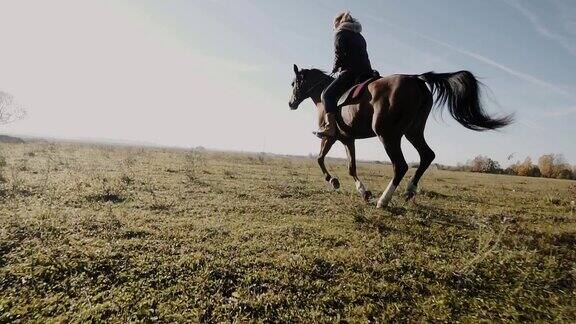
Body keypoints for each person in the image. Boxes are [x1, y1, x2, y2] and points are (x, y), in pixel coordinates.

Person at [315, 11, 373, 138]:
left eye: (334, 24)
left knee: (326, 95)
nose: (333, 27)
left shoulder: (340, 33)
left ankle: (330, 128)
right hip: (367, 72)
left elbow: (339, 54)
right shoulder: (359, 36)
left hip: (351, 72)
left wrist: (335, 67)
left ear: (339, 22)